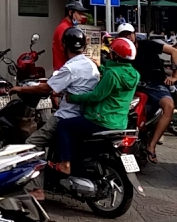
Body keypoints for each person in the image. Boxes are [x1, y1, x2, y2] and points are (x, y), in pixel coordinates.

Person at [53, 36, 140, 174]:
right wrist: (101, 66)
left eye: (111, 53)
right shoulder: (135, 74)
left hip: (101, 120)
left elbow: (95, 96)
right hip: (120, 122)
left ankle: (65, 164)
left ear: (116, 56)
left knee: (64, 125)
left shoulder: (112, 75)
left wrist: (72, 98)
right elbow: (115, 76)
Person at [26, 27, 100, 179]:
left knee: (31, 144)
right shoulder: (92, 66)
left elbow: (47, 88)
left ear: (64, 46)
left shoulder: (70, 67)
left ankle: (36, 187)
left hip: (66, 115)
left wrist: (19, 89)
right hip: (85, 116)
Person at [133, 30, 177, 163]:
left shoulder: (147, 44)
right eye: (123, 35)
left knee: (169, 106)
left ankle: (151, 146)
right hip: (133, 86)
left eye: (129, 34)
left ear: (134, 34)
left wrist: (174, 76)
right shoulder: (119, 49)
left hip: (156, 85)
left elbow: (174, 51)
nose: (127, 37)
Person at [52, 0, 88, 70]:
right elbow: (72, 52)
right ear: (70, 12)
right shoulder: (64, 28)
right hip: (65, 69)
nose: (81, 16)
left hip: (67, 68)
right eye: (79, 13)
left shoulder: (69, 27)